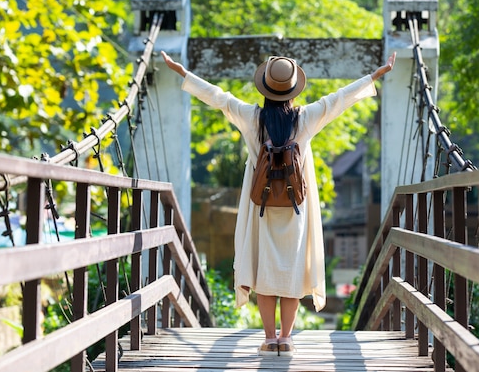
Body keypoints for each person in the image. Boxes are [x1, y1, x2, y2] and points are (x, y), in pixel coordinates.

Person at [161, 50, 396, 357]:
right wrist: (375, 76)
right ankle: (286, 338)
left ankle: (269, 338)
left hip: (261, 208)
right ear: (293, 88)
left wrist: (183, 73)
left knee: (265, 274)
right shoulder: (306, 118)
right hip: (295, 210)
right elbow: (339, 99)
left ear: (265, 87)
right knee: (290, 273)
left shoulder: (252, 118)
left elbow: (218, 97)